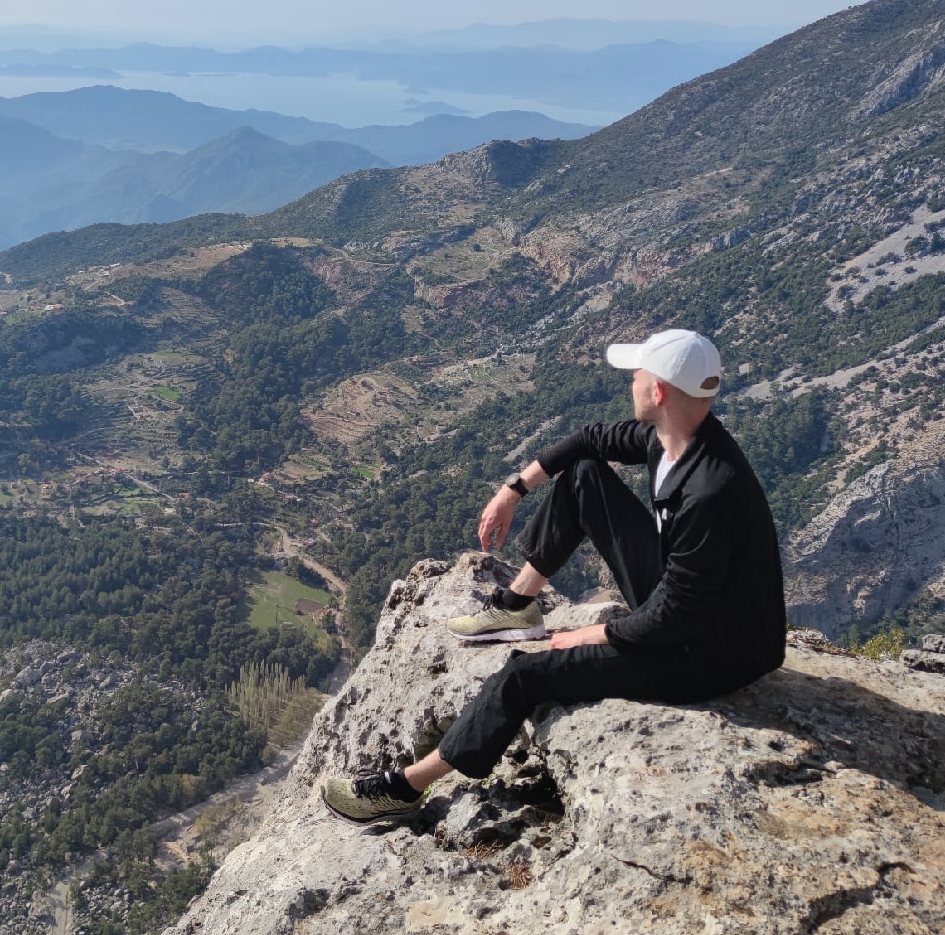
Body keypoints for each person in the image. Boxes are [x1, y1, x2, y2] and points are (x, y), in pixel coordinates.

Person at [321, 328, 786, 823]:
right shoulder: (675, 440)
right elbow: (587, 440)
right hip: (695, 613)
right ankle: (519, 604)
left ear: (658, 392)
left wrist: (596, 635)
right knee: (585, 475)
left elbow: (676, 617)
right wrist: (513, 489)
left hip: (710, 656)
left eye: (638, 373)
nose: (630, 378)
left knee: (524, 675)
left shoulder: (711, 491)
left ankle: (407, 786)